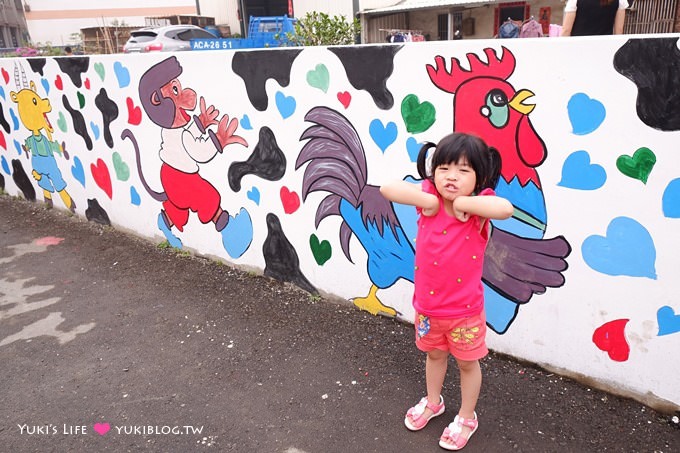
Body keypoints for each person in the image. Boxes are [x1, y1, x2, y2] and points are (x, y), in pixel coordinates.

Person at [380, 133, 513, 451]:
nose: (452, 176)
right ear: (433, 171)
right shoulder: (428, 199)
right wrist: (427, 200)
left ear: (479, 177)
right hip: (428, 308)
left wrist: (464, 203)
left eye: (464, 170)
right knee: (434, 355)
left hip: (465, 312)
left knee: (468, 363)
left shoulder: (479, 209)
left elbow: (505, 208)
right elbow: (387, 188)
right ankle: (433, 401)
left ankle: (467, 417)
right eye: (445, 168)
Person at [561, 0, 629, 36]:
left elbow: (566, 30)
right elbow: (619, 31)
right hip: (604, 48)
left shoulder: (574, 1)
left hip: (578, 48)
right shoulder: (621, 1)